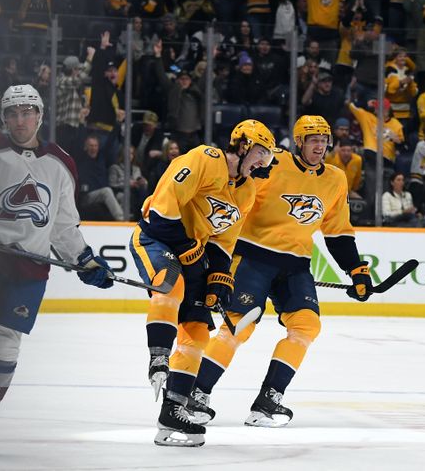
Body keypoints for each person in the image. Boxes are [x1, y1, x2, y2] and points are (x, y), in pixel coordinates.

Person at [0, 85, 115, 457]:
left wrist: (86, 259)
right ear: (4, 118)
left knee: (5, 340)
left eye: (27, 112)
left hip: (30, 266)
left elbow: (64, 225)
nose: (21, 120)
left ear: (40, 116)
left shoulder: (61, 163)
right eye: (13, 113)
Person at [186, 115, 373, 430]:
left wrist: (357, 270)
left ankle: (268, 400)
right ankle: (196, 393)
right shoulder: (273, 164)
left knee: (306, 326)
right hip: (253, 255)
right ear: (299, 142)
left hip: (295, 263)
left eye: (324, 140)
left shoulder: (336, 179)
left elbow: (338, 231)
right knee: (238, 326)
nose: (320, 146)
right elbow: (237, 194)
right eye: (313, 140)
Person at [129, 119, 276, 447]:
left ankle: (173, 410)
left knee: (197, 329)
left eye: (268, 157)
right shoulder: (204, 158)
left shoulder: (247, 190)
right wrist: (189, 250)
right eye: (261, 153)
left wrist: (218, 281)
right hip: (157, 239)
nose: (263, 162)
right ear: (242, 144)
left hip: (192, 252)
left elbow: (223, 243)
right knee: (171, 283)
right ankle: (158, 356)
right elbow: (162, 215)